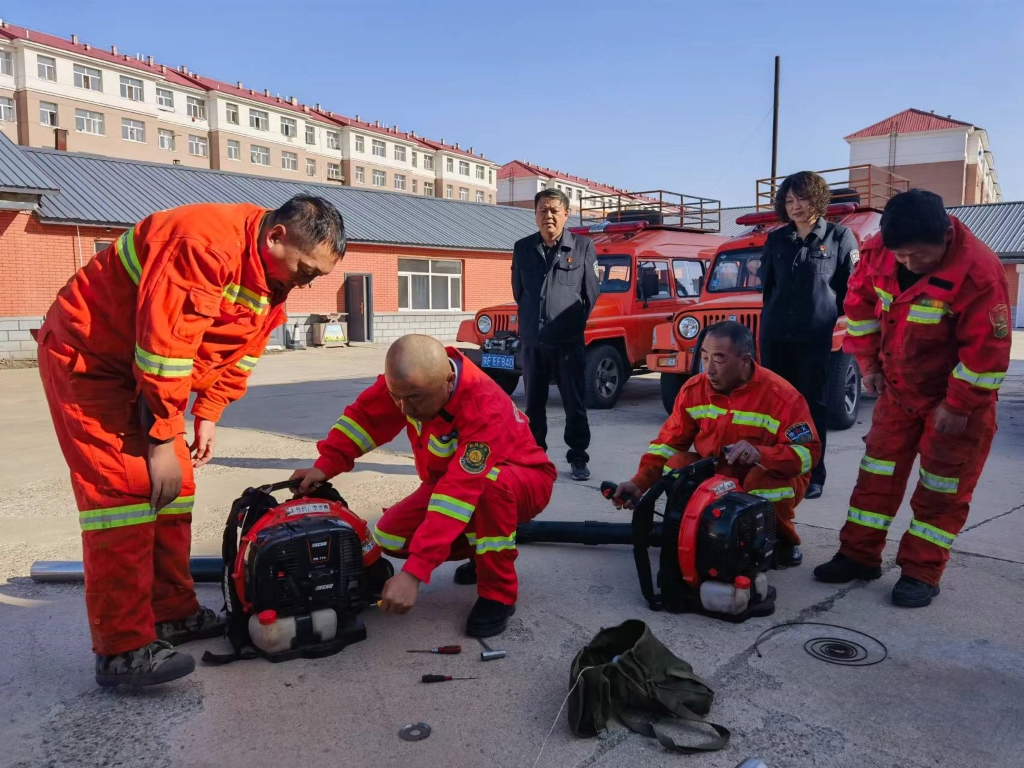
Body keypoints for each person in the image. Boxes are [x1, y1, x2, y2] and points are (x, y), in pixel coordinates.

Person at [36, 196, 346, 687]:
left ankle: (171, 612)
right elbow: (163, 350)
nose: (306, 283)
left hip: (146, 375)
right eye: (305, 269)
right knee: (123, 497)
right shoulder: (201, 242)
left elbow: (243, 352)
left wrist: (209, 412)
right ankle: (121, 649)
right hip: (92, 362)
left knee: (175, 489)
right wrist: (162, 439)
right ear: (276, 237)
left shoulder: (272, 278)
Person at [813, 190, 1010, 607]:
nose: (907, 263)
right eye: (900, 255)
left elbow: (986, 355)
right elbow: (860, 308)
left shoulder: (979, 273)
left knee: (941, 489)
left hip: (954, 403)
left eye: (917, 255)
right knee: (876, 476)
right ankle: (858, 556)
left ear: (944, 236)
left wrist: (958, 405)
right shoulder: (878, 252)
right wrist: (869, 365)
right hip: (897, 393)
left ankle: (921, 571)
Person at [291, 335, 557, 637]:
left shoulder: (484, 406)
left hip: (523, 480)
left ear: (448, 381)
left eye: (414, 399)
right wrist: (324, 466)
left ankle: (499, 593)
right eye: (397, 397)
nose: (404, 409)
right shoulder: (408, 384)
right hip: (454, 482)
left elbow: (458, 494)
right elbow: (364, 420)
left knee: (488, 489)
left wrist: (414, 574)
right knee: (390, 535)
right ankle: (480, 555)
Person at [610, 321, 819, 567]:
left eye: (719, 359)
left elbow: (808, 453)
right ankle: (695, 530)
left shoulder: (782, 396)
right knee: (677, 466)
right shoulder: (694, 390)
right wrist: (639, 483)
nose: (708, 369)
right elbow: (668, 445)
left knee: (761, 481)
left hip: (764, 474)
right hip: (718, 473)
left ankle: (780, 540)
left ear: (745, 360)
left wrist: (762, 455)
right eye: (705, 357)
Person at [759, 171, 860, 500]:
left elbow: (851, 289)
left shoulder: (840, 237)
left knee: (811, 406)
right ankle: (777, 466)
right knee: (774, 406)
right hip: (776, 337)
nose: (796, 206)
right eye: (789, 200)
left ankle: (814, 474)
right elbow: (768, 289)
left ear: (817, 198)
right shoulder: (776, 239)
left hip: (813, 339)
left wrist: (824, 316)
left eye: (802, 198)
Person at [512, 188, 600, 481]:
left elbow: (590, 294)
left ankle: (578, 457)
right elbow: (519, 292)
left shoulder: (582, 247)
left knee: (574, 404)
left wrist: (569, 326)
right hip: (533, 343)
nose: (547, 215)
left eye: (553, 210)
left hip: (567, 344)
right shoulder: (522, 247)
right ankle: (536, 458)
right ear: (535, 214)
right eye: (542, 210)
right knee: (533, 406)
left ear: (566, 214)